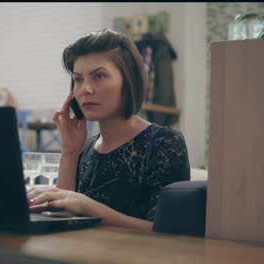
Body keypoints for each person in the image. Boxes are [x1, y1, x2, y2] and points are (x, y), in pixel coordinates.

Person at [26, 29, 190, 231]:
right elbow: (63, 219)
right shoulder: (84, 149)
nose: (85, 89)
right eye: (78, 79)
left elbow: (166, 231)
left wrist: (88, 206)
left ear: (128, 80)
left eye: (99, 76)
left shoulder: (164, 143)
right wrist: (69, 152)